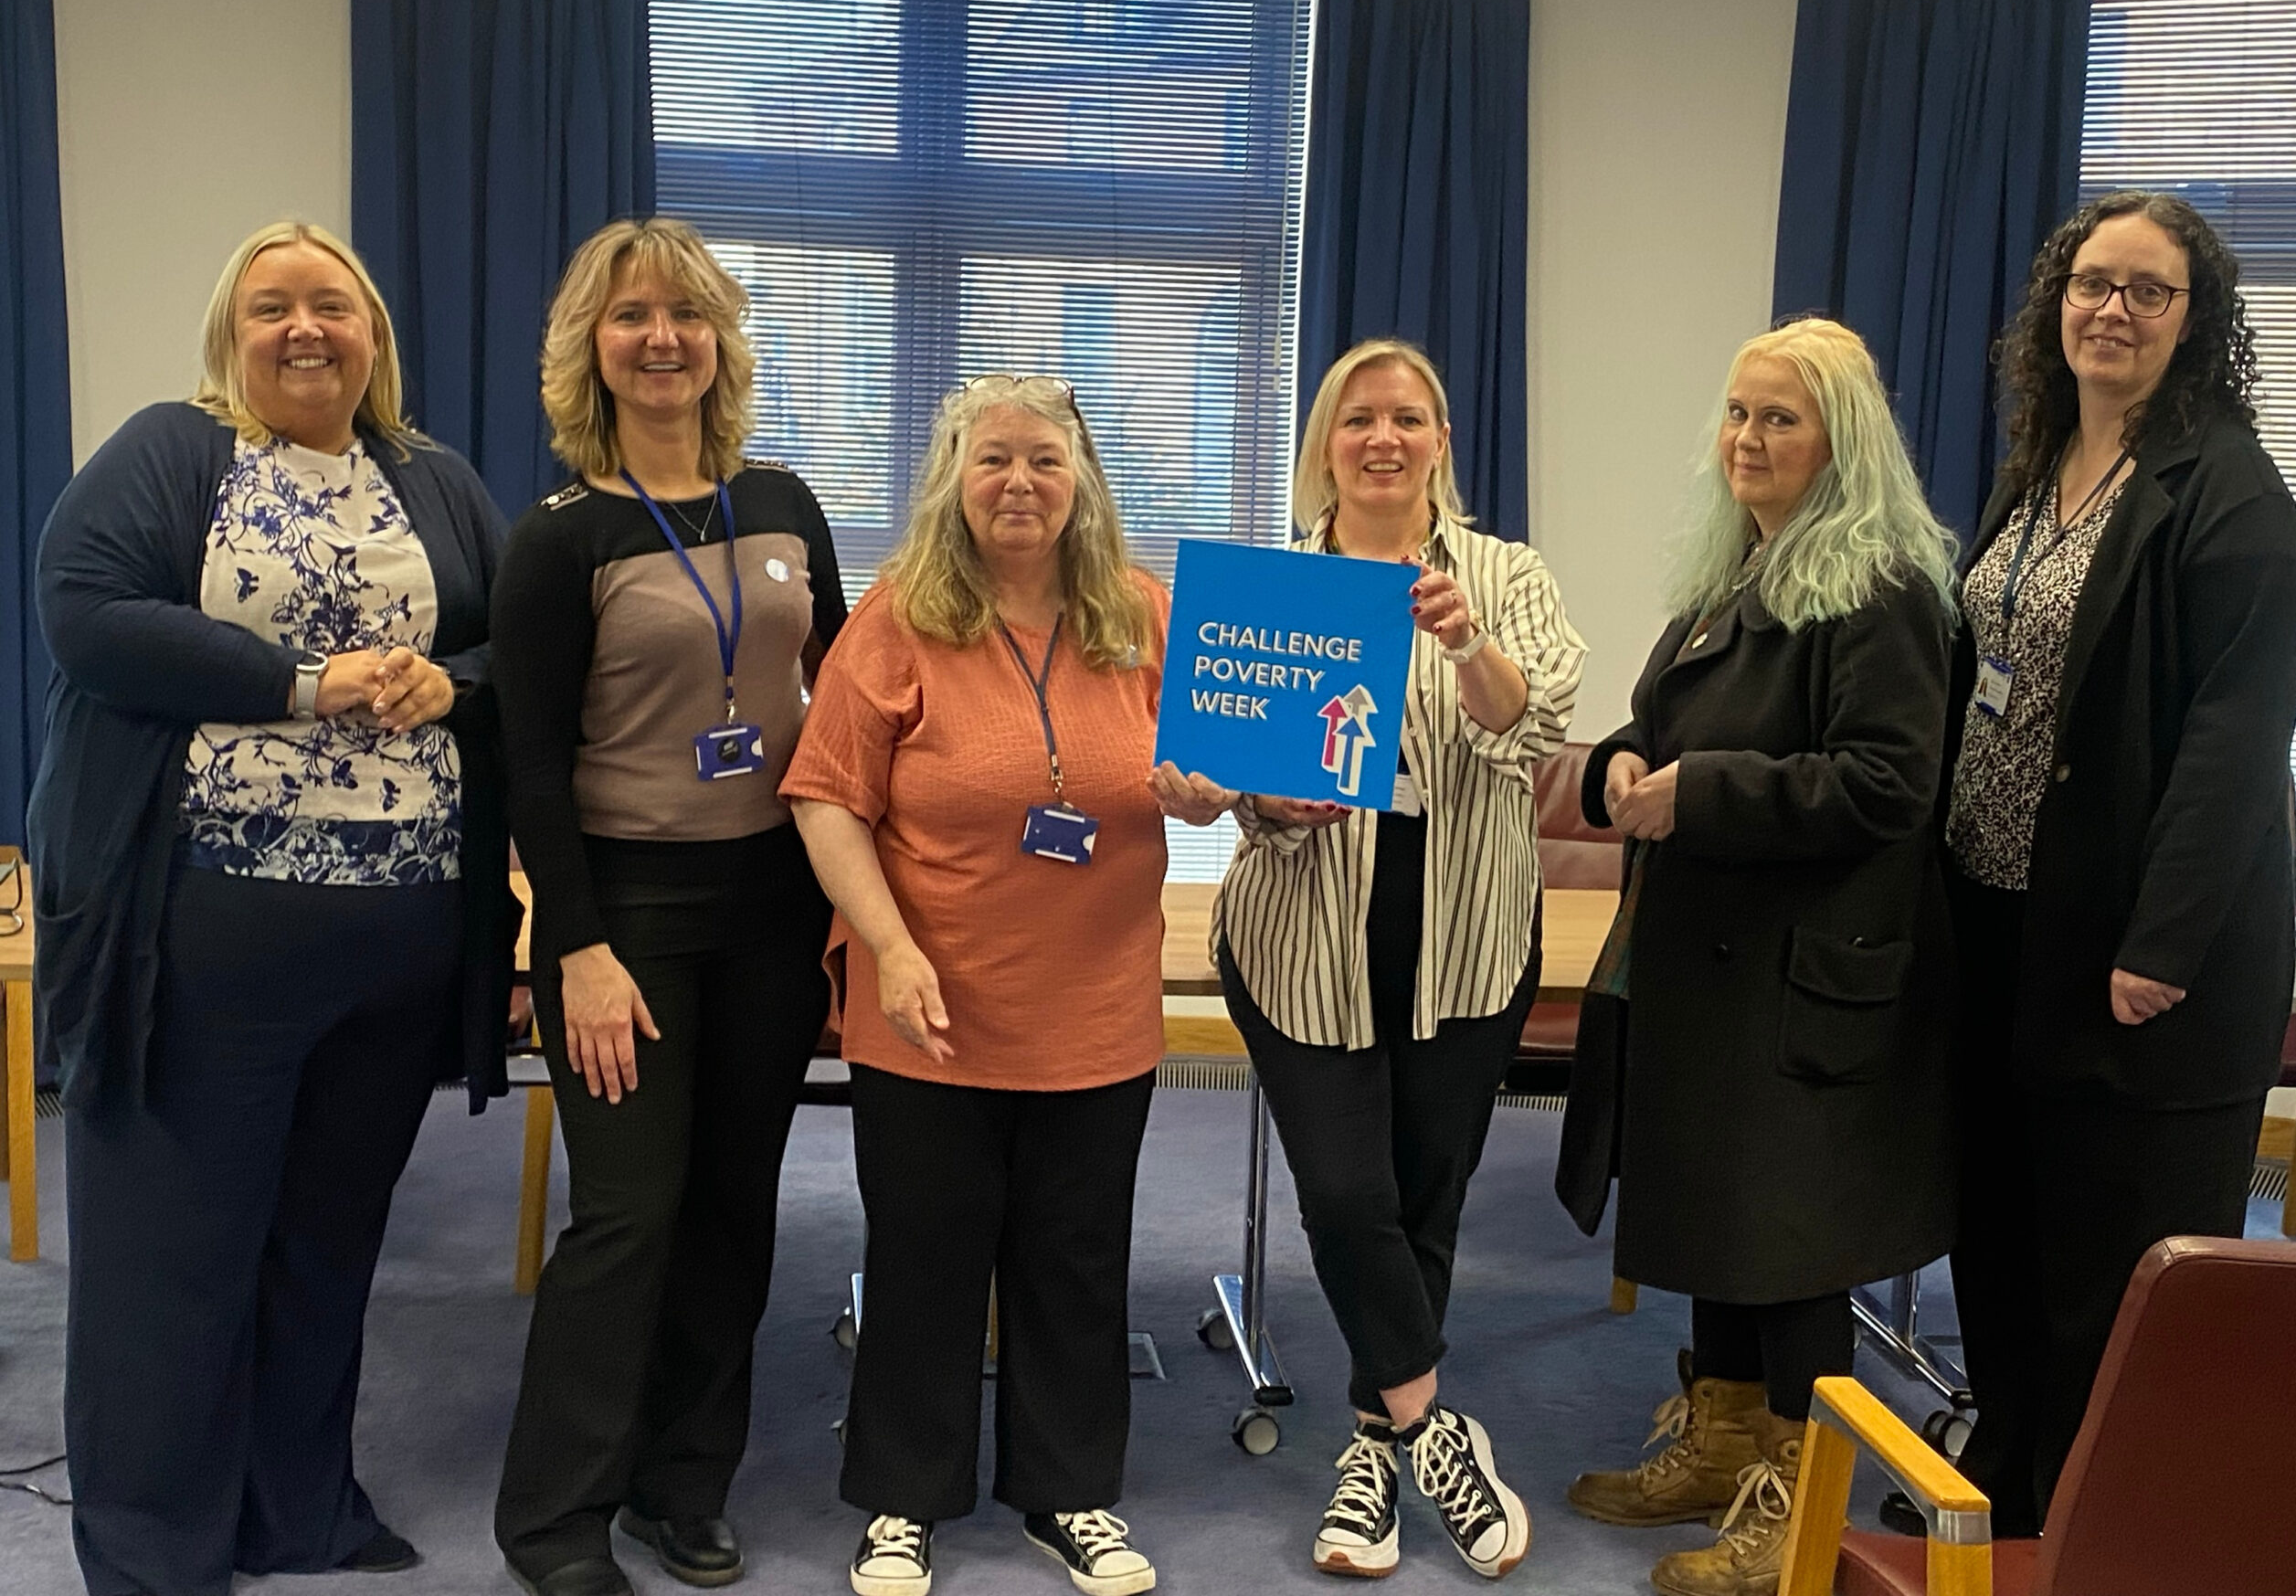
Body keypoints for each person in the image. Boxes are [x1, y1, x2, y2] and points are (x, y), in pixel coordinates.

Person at [28, 221, 513, 1596]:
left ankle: (298, 1513)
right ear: (229, 336)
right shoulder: (173, 452)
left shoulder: (433, 478)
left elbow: (506, 637)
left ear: (375, 335)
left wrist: (452, 684)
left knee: (326, 1243)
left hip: (398, 938)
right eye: (272, 307)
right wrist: (302, 683)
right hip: (199, 927)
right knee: (170, 1255)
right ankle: (151, 1548)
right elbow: (86, 610)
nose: (306, 329)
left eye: (333, 306)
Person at [1153, 338, 1582, 1582]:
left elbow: (1534, 722)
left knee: (1422, 1205)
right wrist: (1235, 798)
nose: (1383, 439)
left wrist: (1465, 645)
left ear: (1442, 440)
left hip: (1465, 943)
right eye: (1358, 421)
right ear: (1326, 448)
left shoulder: (1504, 576)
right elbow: (1224, 769)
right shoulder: (1273, 592)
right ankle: (1437, 1429)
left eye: (1408, 418)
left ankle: (1370, 1451)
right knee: (1347, 1196)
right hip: (1301, 941)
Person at [1557, 317, 1961, 1596]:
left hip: (1809, 983)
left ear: (1841, 441)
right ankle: (1725, 1442)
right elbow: (1670, 718)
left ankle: (1805, 1504)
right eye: (1738, 413)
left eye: (1780, 418)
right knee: (1723, 1222)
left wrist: (1704, 792)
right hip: (1713, 972)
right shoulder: (1739, 569)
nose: (1749, 438)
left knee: (1792, 1251)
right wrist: (1626, 757)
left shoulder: (1883, 586)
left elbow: (1891, 785)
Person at [1941, 192, 2296, 1536]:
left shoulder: (2234, 497)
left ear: (2195, 319)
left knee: (2107, 1263)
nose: (2113, 309)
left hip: (2133, 960)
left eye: (2149, 291)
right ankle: (2009, 1484)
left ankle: (2094, 1522)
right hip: (2002, 920)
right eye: (2093, 282)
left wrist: (2160, 945)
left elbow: (2231, 744)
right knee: (2003, 1234)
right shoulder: (2039, 466)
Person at [492, 218, 846, 1596]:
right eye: (632, 316)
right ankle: (555, 1522)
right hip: (622, 909)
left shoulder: (784, 505)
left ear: (720, 343)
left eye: (687, 316)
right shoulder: (559, 539)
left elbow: (856, 693)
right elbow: (529, 766)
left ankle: (680, 1487)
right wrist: (570, 944)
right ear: (594, 345)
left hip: (768, 903)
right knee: (627, 1216)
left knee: (730, 1207)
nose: (662, 339)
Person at [786, 374, 1180, 1596]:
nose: (1020, 482)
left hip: (1097, 1009)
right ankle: (904, 1500)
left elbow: (1231, 771)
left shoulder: (1145, 615)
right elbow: (823, 796)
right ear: (955, 480)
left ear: (1082, 482)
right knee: (926, 1255)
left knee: (1074, 1258)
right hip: (929, 1011)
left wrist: (1227, 795)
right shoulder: (903, 617)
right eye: (994, 459)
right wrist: (890, 944)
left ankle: (1067, 1496)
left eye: (1045, 461)